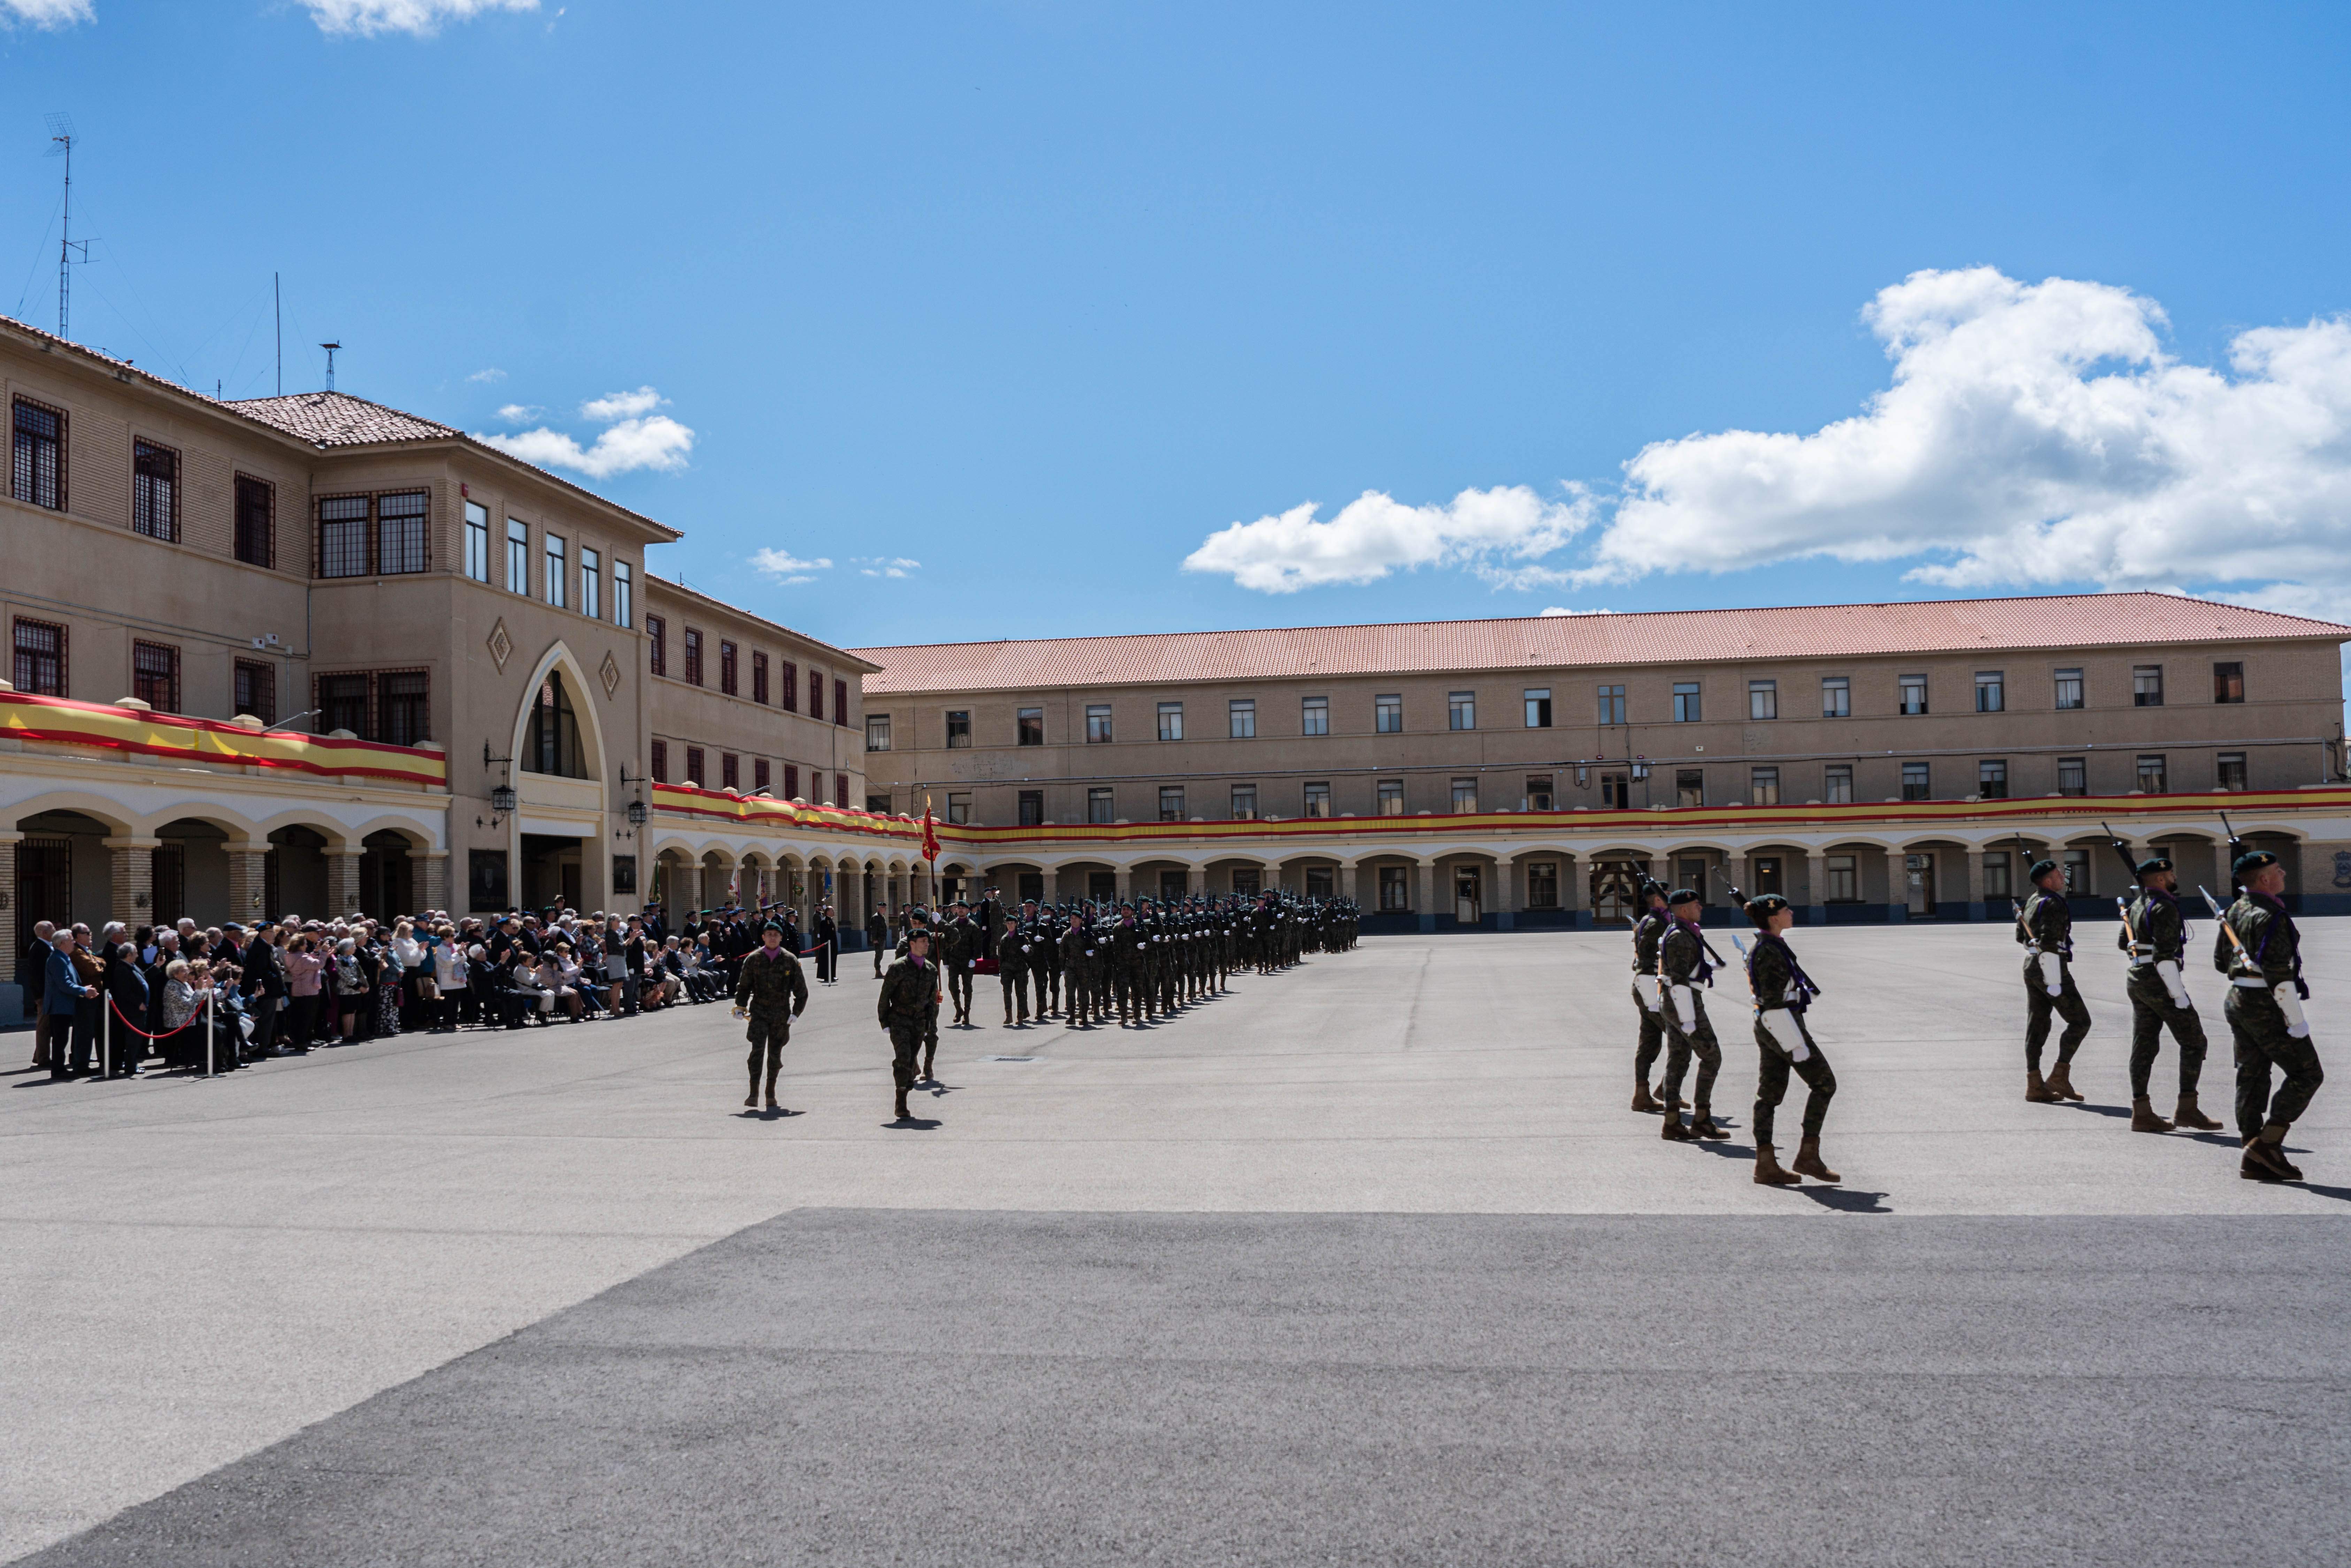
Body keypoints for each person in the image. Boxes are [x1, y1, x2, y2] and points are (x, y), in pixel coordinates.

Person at [2214, 850, 2325, 1182]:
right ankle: (2267, 1145)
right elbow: (2280, 976)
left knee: (2251, 1073)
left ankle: (2251, 1146)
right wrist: (2295, 1021)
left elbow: (2221, 962)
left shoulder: (2234, 910)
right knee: (2307, 1074)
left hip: (2237, 998)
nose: (2284, 875)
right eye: (2278, 870)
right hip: (2266, 1003)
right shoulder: (2272, 916)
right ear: (2264, 879)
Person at [2115, 855, 2221, 1133]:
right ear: (2161, 879)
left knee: (2144, 1045)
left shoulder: (2136, 905)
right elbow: (2165, 958)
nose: (2174, 878)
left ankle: (2141, 1111)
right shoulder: (2164, 906)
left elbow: (2122, 943)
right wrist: (2178, 994)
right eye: (2171, 874)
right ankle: (2187, 1109)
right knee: (2194, 1041)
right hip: (2160, 981)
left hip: (2137, 978)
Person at [1741, 894, 1839, 1185]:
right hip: (1781, 1023)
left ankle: (1766, 1163)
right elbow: (1773, 1000)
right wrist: (1793, 1043)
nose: (1791, 913)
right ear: (1774, 918)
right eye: (1786, 911)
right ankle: (1807, 1156)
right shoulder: (1768, 951)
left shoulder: (1770, 945)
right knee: (1824, 1084)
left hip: (1774, 1023)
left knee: (1769, 1095)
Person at [2018, 858, 2091, 1102]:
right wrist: (2054, 976)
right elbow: (2050, 939)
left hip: (2032, 965)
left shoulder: (2031, 901)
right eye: (2059, 875)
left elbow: (2021, 936)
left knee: (2037, 1024)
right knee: (2080, 1021)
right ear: (2048, 881)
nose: (2063, 878)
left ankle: (2034, 1083)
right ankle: (2059, 1075)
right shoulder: (2052, 903)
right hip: (2050, 966)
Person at [1656, 888, 1727, 1141]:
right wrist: (1687, 1017)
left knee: (1678, 1057)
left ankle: (1672, 1121)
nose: (1701, 908)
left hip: (1679, 1001)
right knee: (1712, 1056)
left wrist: (1708, 968)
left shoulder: (1685, 933)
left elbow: (1687, 969)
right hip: (1683, 1003)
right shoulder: (1679, 936)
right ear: (1683, 910)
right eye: (1697, 905)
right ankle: (1701, 1119)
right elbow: (1677, 979)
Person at [733, 922, 810, 1111]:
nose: (773, 938)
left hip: (781, 1013)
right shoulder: (754, 959)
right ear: (763, 937)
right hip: (759, 1012)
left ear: (781, 938)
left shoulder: (790, 960)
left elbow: (802, 991)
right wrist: (740, 1007)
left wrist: (796, 1013)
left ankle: (770, 1092)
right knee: (757, 1052)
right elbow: (744, 986)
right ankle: (753, 1093)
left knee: (775, 1054)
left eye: (776, 935)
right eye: (769, 934)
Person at [876, 927, 942, 1120]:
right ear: (912, 944)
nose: (927, 944)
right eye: (923, 941)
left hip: (919, 1022)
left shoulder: (931, 970)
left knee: (911, 1060)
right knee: (903, 1058)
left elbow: (932, 1001)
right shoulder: (898, 968)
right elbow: (885, 997)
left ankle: (906, 1086)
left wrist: (930, 1024)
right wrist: (884, 1022)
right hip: (899, 1020)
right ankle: (901, 1101)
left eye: (928, 941)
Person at [1628, 878, 1672, 1113]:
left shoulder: (1653, 920)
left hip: (1646, 986)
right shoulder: (1657, 923)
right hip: (1650, 987)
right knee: (1681, 1040)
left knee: (1649, 1040)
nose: (1671, 896)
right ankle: (1666, 1090)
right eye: (1667, 893)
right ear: (1657, 899)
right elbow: (1648, 957)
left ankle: (1643, 1094)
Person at [867, 906, 889, 978]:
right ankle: (878, 971)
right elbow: (874, 929)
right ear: (880, 908)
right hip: (878, 939)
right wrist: (874, 939)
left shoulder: (882, 917)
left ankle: (879, 971)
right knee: (878, 955)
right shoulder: (876, 917)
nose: (885, 909)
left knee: (880, 955)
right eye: (884, 908)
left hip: (882, 939)